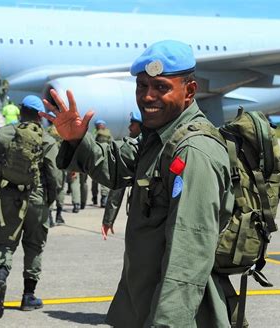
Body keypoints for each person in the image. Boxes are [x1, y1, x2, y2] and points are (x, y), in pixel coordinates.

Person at [42, 40, 234, 327]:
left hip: (171, 313)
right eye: (142, 86)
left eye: (161, 87)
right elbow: (114, 166)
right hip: (141, 304)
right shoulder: (157, 139)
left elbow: (188, 254)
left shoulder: (193, 152)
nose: (147, 96)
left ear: (189, 91)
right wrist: (76, 139)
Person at [0, 95, 59, 320]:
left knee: (4, 243)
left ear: (20, 111)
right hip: (37, 198)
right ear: (39, 115)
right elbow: (54, 174)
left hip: (8, 196)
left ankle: (0, 278)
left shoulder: (4, 134)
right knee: (34, 246)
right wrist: (50, 200)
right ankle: (28, 296)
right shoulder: (47, 140)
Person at [101, 111, 142, 240]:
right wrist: (108, 220)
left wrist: (108, 220)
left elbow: (117, 190)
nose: (129, 128)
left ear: (142, 126)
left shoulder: (136, 149)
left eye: (133, 124)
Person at [91, 119, 111, 207]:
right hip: (104, 158)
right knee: (103, 179)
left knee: (95, 179)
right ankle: (103, 198)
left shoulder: (95, 133)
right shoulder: (108, 133)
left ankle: (97, 197)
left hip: (96, 158)